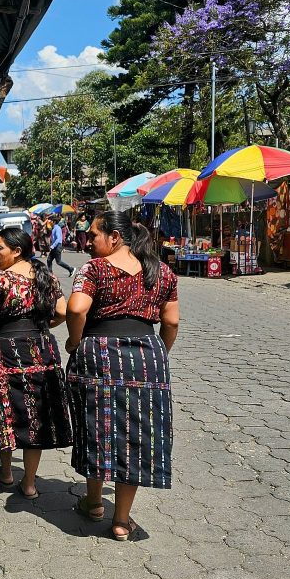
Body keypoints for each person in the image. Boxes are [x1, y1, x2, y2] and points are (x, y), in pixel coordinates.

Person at [65, 211, 180, 541]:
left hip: (99, 352)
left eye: (94, 235)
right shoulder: (162, 272)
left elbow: (75, 309)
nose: (88, 241)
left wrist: (75, 340)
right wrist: (159, 353)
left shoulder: (94, 268)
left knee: (96, 424)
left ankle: (94, 501)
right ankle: (121, 521)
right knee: (136, 433)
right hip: (147, 355)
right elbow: (171, 322)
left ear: (114, 237)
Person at [0, 228, 71, 498]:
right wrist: (40, 325)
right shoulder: (46, 276)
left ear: (17, 251)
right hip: (41, 350)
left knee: (5, 411)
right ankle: (29, 483)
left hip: (5, 352)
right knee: (34, 415)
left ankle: (5, 473)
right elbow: (63, 311)